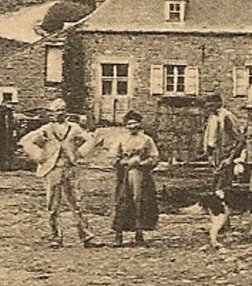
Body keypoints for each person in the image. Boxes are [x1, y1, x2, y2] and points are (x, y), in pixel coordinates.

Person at [18, 98, 99, 247]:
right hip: (52, 169)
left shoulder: (74, 128)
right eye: (55, 111)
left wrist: (78, 153)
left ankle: (86, 237)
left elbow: (90, 140)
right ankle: (56, 237)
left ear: (66, 112)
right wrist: (40, 156)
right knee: (53, 205)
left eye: (61, 110)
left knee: (76, 203)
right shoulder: (46, 129)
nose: (59, 113)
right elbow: (25, 141)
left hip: (69, 168)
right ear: (51, 114)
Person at [109, 110, 160, 246]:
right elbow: (113, 157)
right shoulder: (121, 139)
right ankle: (118, 235)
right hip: (124, 175)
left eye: (135, 123)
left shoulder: (146, 139)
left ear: (139, 124)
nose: (132, 126)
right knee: (122, 201)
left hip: (142, 174)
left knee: (140, 201)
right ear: (126, 125)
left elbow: (154, 157)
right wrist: (124, 162)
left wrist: (142, 163)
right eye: (129, 124)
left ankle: (139, 233)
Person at [201, 94, 244, 188]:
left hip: (225, 158)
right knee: (215, 188)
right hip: (216, 157)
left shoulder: (227, 117)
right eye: (208, 106)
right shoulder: (212, 117)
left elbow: (240, 140)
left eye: (212, 106)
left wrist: (230, 159)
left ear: (219, 103)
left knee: (223, 189)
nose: (209, 109)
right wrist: (209, 155)